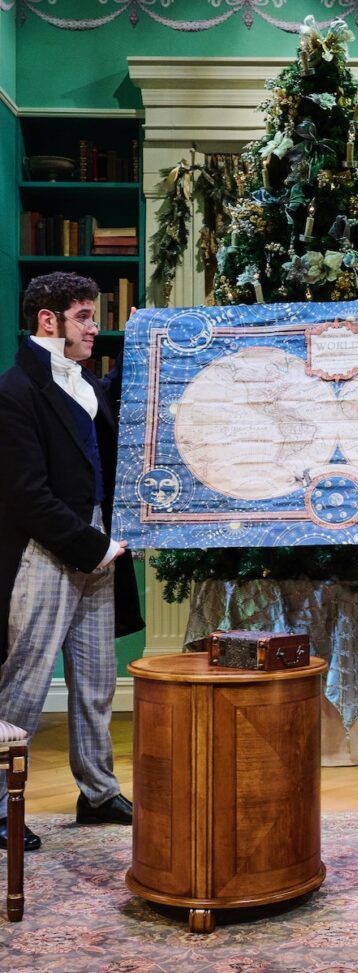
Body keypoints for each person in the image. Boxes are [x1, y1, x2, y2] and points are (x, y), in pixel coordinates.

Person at [0, 271, 144, 851]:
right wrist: (91, 544)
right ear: (47, 321)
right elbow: (25, 495)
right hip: (46, 551)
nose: (95, 327)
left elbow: (104, 422)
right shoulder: (13, 391)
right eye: (85, 317)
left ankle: (98, 790)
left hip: (96, 544)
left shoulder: (82, 378)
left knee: (94, 682)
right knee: (24, 684)